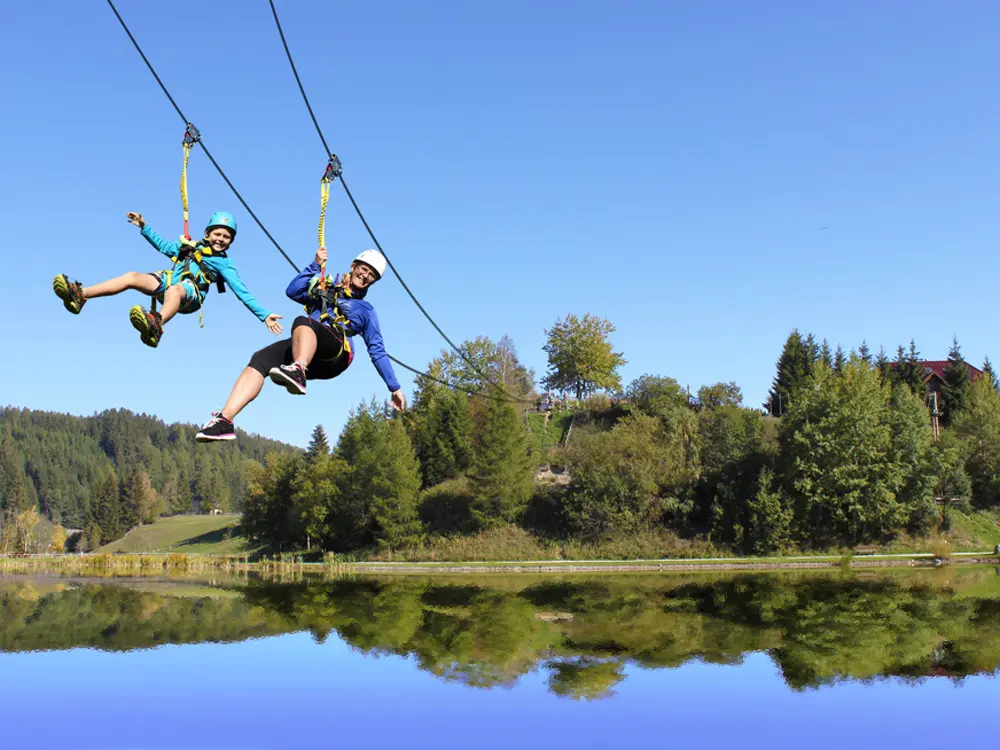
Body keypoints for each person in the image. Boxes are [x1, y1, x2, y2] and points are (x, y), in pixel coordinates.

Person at [196, 248, 406, 441]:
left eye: (372, 275)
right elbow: (293, 291)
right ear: (353, 267)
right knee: (261, 359)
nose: (366, 276)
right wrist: (314, 266)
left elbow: (376, 350)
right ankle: (225, 421)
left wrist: (394, 387)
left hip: (337, 353)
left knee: (304, 322)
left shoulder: (365, 310)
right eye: (364, 269)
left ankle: (298, 370)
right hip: (307, 347)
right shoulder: (325, 285)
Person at [52, 211, 284, 347]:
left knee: (176, 290)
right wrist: (144, 227)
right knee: (133, 277)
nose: (221, 239)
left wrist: (264, 315)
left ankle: (156, 324)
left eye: (226, 237)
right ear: (207, 234)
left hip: (189, 296)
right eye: (217, 234)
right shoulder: (190, 247)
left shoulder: (225, 264)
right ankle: (81, 295)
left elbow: (241, 291)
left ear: (230, 242)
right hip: (170, 281)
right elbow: (163, 246)